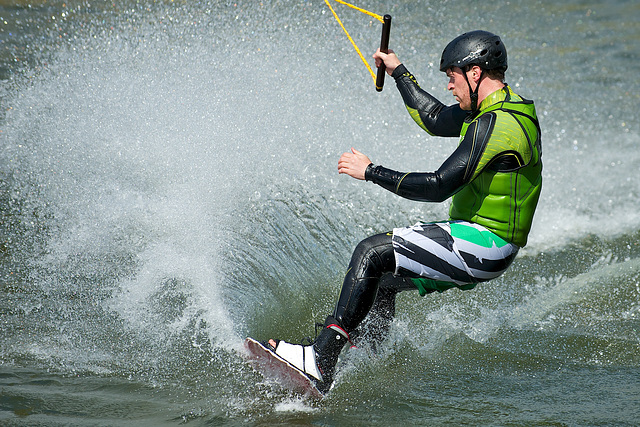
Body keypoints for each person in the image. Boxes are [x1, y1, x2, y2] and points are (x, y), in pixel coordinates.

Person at [262, 30, 542, 394]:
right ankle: (368, 355)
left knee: (372, 253)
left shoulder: (498, 125)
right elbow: (435, 118)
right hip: (479, 238)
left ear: (475, 74)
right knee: (383, 279)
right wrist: (398, 71)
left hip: (486, 244)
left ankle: (320, 360)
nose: (449, 86)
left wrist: (371, 171)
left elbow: (440, 184)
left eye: (452, 77)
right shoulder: (496, 109)